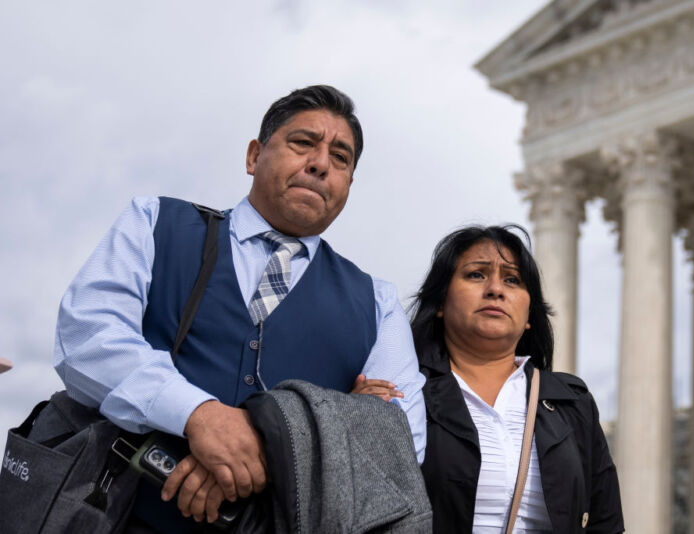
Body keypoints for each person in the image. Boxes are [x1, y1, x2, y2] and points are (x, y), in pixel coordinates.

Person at [53, 85, 426, 533]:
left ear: (348, 184)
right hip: (119, 515)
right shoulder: (155, 223)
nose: (321, 163)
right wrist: (199, 416)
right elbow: (88, 336)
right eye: (302, 143)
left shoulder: (377, 302)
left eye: (341, 158)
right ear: (254, 156)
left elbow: (400, 437)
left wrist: (267, 446)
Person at [410, 225, 623, 533]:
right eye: (476, 275)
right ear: (441, 302)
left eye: (512, 280)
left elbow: (605, 523)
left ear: (528, 317)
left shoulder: (572, 403)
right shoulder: (404, 391)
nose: (496, 289)